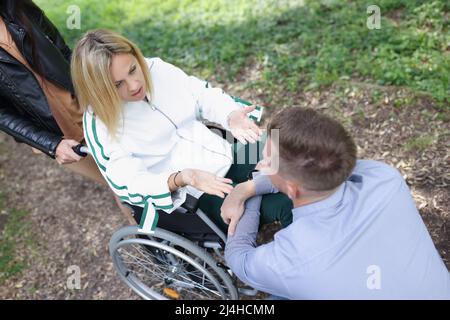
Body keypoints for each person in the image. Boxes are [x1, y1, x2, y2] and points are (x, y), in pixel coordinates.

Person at [70, 29, 293, 233]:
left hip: (221, 152)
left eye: (133, 69)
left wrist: (230, 115)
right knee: (284, 203)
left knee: (293, 148)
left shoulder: (156, 69)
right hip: (194, 195)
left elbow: (200, 94)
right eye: (118, 84)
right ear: (100, 90)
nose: (135, 84)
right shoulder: (100, 124)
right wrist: (183, 177)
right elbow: (130, 184)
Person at [223, 107, 450, 299]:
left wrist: (247, 188)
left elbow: (238, 258)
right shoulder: (385, 179)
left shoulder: (289, 261)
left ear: (292, 187)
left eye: (267, 160)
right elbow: (313, 173)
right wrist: (251, 187)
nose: (262, 161)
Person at [0, 0, 132, 222]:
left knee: (141, 165)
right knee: (122, 184)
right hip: (58, 133)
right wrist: (50, 144)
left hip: (88, 105)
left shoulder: (15, 5)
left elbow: (59, 46)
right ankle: (159, 249)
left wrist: (89, 89)